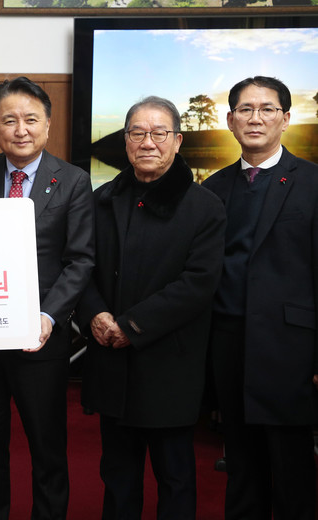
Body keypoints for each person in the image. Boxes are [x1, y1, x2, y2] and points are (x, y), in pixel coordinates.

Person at [75, 96, 226, 520]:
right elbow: (82, 267)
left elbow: (198, 284)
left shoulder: (204, 206)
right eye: (137, 133)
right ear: (125, 141)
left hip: (169, 367)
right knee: (117, 477)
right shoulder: (102, 199)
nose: (148, 142)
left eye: (159, 133)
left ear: (177, 141)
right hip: (111, 362)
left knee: (175, 478)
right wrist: (94, 314)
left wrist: (132, 326)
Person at [0, 76, 94, 520]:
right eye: (9, 120)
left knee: (47, 447)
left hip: (41, 337)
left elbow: (80, 260)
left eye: (31, 119)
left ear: (47, 125)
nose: (20, 130)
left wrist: (48, 316)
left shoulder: (73, 180)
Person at [203, 76, 318, 520]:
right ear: (230, 120)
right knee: (242, 468)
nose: (256, 118)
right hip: (229, 345)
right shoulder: (213, 189)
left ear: (285, 119)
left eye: (267, 109)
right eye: (245, 109)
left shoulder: (312, 182)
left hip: (291, 349)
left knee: (293, 474)